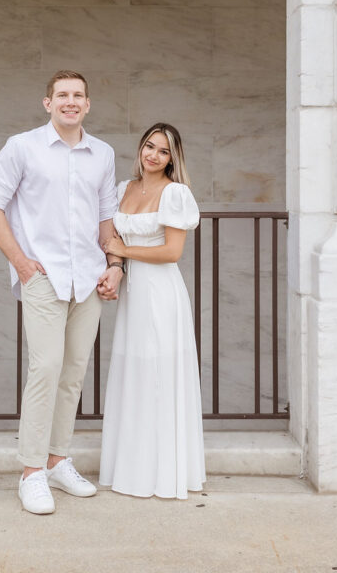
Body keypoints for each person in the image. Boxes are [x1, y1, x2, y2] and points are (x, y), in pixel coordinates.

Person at [0, 71, 124, 515]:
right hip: (43, 275)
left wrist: (115, 266)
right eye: (62, 95)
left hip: (90, 277)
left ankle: (59, 460)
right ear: (48, 103)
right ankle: (31, 472)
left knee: (74, 371)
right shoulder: (21, 147)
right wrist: (21, 263)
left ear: (88, 103)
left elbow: (106, 218)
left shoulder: (102, 153)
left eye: (77, 95)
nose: (70, 102)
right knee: (45, 368)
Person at [99, 122, 206, 499]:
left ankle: (163, 474)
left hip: (162, 293)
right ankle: (133, 470)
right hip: (133, 294)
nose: (153, 155)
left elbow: (171, 253)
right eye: (149, 146)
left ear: (172, 158)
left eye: (163, 151)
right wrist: (115, 266)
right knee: (135, 374)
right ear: (140, 148)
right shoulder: (122, 189)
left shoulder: (175, 193)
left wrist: (123, 251)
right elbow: (110, 238)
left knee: (159, 375)